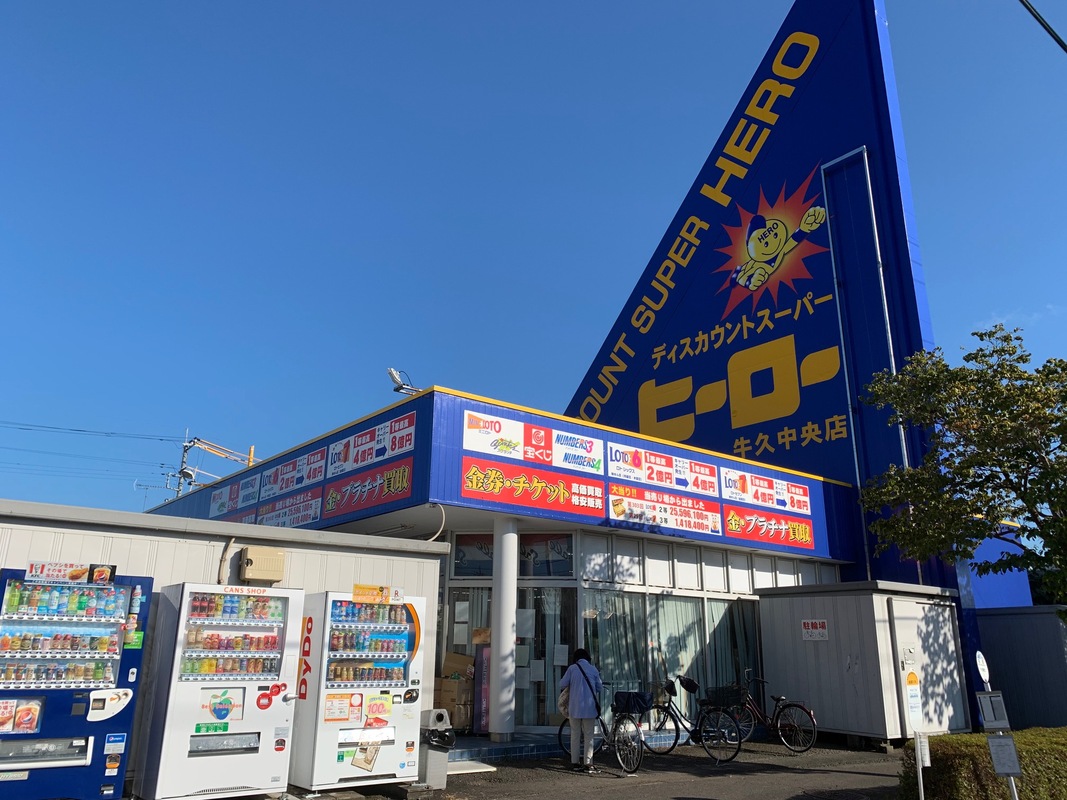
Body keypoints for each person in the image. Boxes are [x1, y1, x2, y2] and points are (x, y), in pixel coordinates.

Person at [560, 647, 603, 773]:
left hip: (574, 708)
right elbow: (599, 687)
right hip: (589, 708)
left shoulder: (572, 669)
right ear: (587, 658)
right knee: (589, 736)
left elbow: (562, 684)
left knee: (575, 735)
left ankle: (575, 762)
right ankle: (588, 763)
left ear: (576, 658)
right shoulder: (593, 669)